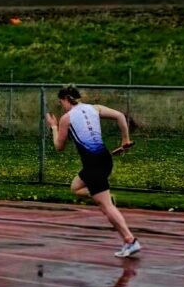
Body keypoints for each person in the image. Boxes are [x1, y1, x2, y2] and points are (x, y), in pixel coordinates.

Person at [45, 85, 141, 258]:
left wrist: (53, 127)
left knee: (106, 207)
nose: (62, 107)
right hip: (104, 159)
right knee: (76, 187)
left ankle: (130, 240)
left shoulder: (66, 118)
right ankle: (107, 199)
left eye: (61, 103)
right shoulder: (94, 108)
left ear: (66, 99)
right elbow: (120, 116)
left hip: (94, 164)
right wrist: (125, 140)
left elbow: (59, 147)